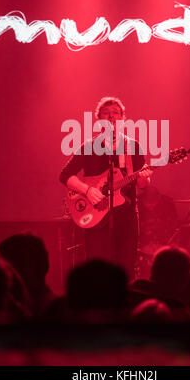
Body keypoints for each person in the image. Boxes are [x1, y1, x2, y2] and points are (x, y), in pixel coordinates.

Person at [60, 96, 152, 279]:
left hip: (126, 216)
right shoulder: (89, 146)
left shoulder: (132, 146)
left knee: (126, 268)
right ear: (99, 119)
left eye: (116, 113)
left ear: (123, 118)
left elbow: (142, 185)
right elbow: (65, 175)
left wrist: (144, 178)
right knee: (97, 271)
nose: (111, 117)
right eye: (106, 114)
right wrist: (88, 190)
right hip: (96, 214)